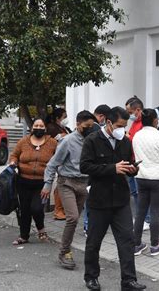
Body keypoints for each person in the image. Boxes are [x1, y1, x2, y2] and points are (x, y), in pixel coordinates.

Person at [81, 107, 146, 291]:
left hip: (121, 200)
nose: (122, 130)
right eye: (119, 126)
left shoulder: (125, 142)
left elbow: (130, 163)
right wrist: (112, 168)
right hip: (99, 201)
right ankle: (91, 277)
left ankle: (129, 280)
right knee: (94, 242)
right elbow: (85, 167)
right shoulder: (92, 140)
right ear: (108, 122)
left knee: (127, 241)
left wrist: (134, 170)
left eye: (125, 126)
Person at [42, 110, 95, 269]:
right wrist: (47, 184)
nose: (90, 129)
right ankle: (64, 252)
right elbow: (53, 164)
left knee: (74, 220)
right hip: (67, 183)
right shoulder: (68, 141)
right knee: (72, 218)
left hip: (84, 184)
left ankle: (67, 249)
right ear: (78, 124)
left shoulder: (92, 140)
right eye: (87, 126)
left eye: (92, 126)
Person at [9, 118, 57, 245]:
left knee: (36, 208)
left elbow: (58, 159)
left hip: (42, 183)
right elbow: (14, 155)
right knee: (24, 210)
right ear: (32, 128)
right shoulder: (23, 141)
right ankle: (24, 236)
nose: (38, 128)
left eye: (41, 126)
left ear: (45, 128)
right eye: (36, 125)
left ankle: (41, 230)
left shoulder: (52, 143)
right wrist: (13, 162)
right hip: (23, 181)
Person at [132, 109, 159, 256]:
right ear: (155, 120)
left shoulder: (136, 135)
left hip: (141, 177)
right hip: (158, 178)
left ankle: (136, 244)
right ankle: (155, 245)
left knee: (140, 212)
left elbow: (134, 155)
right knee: (155, 212)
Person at [82, 104, 111, 236]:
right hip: (92, 167)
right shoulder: (95, 128)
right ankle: (89, 226)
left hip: (86, 166)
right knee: (91, 198)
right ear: (102, 117)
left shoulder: (88, 125)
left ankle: (88, 225)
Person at [125, 97, 150, 231]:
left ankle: (146, 218)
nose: (129, 116)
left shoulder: (144, 124)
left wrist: (129, 138)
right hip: (132, 161)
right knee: (135, 192)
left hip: (140, 163)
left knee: (141, 193)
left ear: (138, 110)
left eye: (130, 112)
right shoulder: (135, 123)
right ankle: (141, 217)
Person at [46, 107, 71, 221]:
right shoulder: (51, 128)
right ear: (58, 118)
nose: (66, 118)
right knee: (60, 184)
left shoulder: (63, 127)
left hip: (65, 158)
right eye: (64, 116)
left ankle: (62, 209)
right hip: (57, 158)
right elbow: (58, 139)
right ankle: (58, 210)